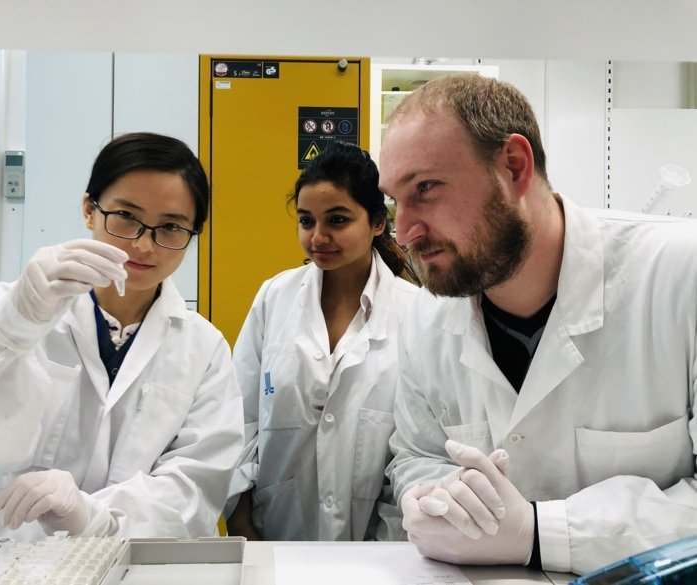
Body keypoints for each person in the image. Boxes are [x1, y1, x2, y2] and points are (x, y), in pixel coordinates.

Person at [378, 74, 697, 575]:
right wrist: (433, 497)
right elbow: (418, 454)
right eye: (396, 201)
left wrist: (538, 532)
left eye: (426, 188)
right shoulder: (427, 313)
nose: (404, 233)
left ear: (514, 166)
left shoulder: (682, 276)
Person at [0, 132, 244, 541]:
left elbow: (196, 484)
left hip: (138, 560)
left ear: (193, 234)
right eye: (126, 216)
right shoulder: (18, 309)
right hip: (17, 557)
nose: (145, 244)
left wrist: (95, 515)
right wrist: (13, 327)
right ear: (90, 209)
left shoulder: (203, 348)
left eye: (171, 227)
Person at [224, 141, 420, 541]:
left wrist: (389, 547)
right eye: (306, 220)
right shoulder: (274, 298)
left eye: (337, 220)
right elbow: (239, 417)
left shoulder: (417, 312)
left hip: (382, 550)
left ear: (378, 222)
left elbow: (416, 446)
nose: (318, 237)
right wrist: (240, 515)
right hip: (276, 534)